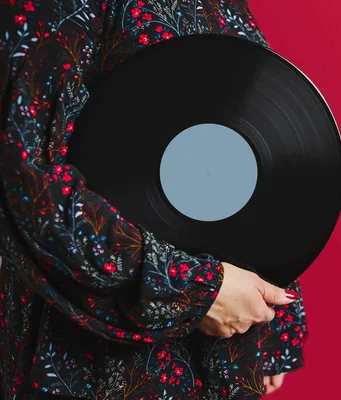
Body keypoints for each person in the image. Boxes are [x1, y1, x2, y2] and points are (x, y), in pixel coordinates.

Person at [0, 0, 308, 399]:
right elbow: (23, 176)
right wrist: (196, 291)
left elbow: (253, 127)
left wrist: (274, 323)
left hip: (225, 342)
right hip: (99, 357)